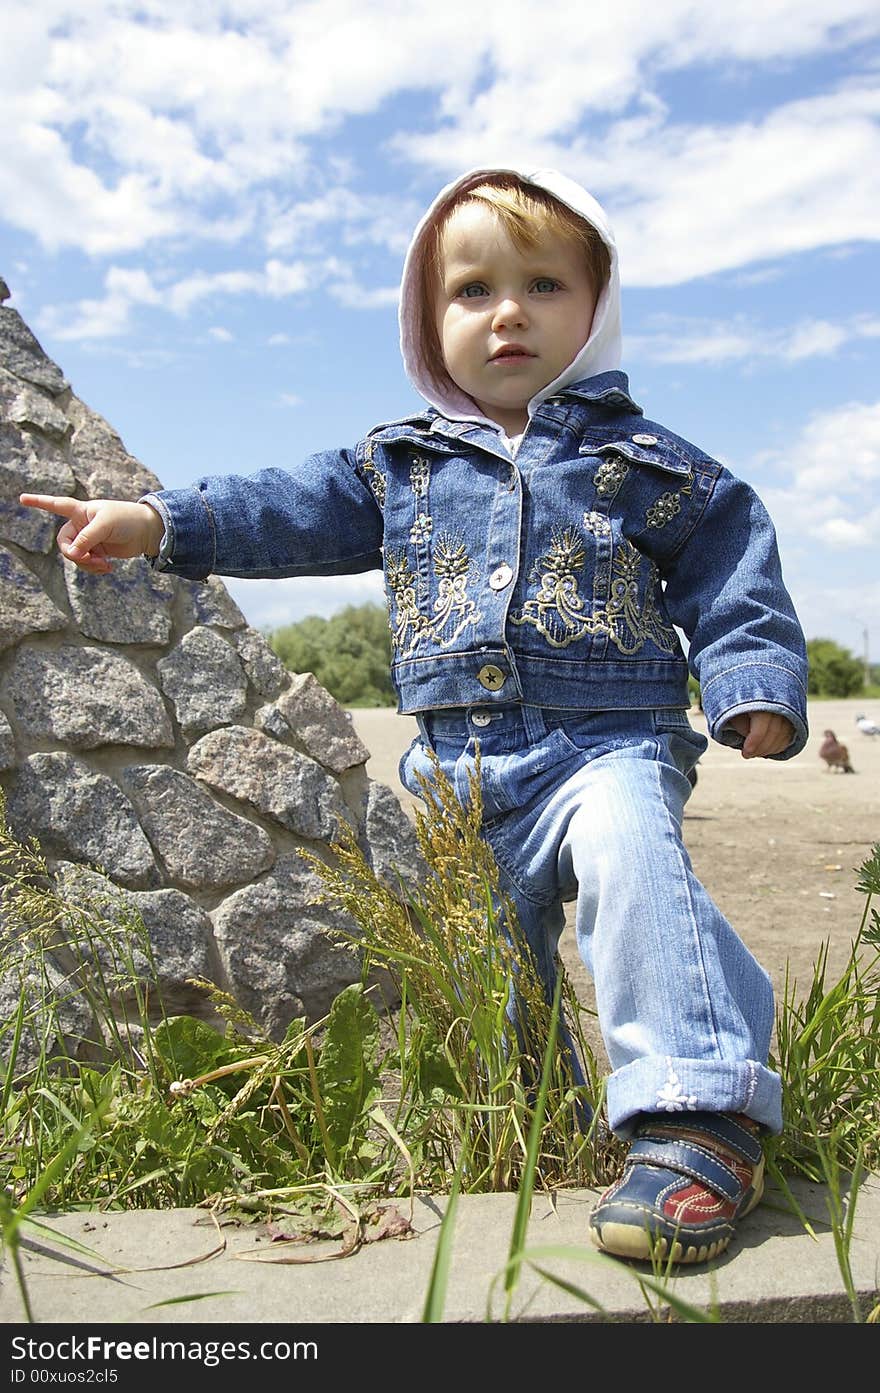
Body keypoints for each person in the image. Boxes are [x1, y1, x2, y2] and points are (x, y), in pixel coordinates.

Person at [21, 165, 808, 1266]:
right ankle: (533, 1126)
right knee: (486, 962)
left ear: (597, 307)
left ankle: (696, 1121)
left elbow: (734, 573)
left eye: (542, 284)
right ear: (428, 323)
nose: (507, 313)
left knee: (634, 865)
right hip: (455, 766)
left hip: (607, 741)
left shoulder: (646, 466)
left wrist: (751, 687)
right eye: (471, 290)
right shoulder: (400, 464)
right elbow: (279, 506)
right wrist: (155, 518)